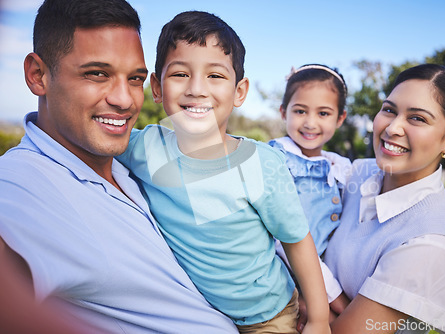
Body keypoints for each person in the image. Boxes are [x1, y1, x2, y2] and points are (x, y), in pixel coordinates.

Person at [0, 0, 239, 333]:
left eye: (135, 79)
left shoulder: (136, 166)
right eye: (98, 74)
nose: (125, 100)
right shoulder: (19, 182)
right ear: (38, 75)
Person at [117, 11, 329, 334]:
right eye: (180, 75)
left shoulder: (262, 164)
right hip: (198, 314)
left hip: (268, 314)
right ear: (157, 88)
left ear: (239, 91)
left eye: (215, 76)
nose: (197, 89)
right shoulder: (145, 147)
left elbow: (297, 242)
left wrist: (319, 318)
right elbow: (90, 143)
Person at [324, 64, 445, 333]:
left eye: (417, 118)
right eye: (389, 110)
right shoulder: (356, 172)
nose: (393, 128)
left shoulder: (429, 244)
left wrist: (304, 301)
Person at [268, 64, 352, 325]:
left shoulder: (339, 166)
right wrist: (335, 296)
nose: (310, 123)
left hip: (320, 277)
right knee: (341, 318)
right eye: (300, 111)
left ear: (340, 118)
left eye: (324, 113)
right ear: (284, 112)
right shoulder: (276, 159)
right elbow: (284, 239)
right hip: (285, 274)